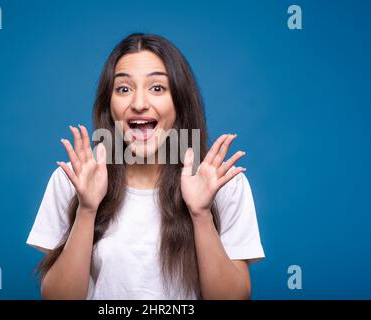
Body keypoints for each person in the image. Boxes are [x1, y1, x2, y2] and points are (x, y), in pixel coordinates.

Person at [26, 33, 265, 300]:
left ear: (180, 102)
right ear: (109, 105)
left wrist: (201, 215)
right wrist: (86, 209)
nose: (139, 104)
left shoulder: (223, 183)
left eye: (157, 88)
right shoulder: (73, 179)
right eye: (124, 89)